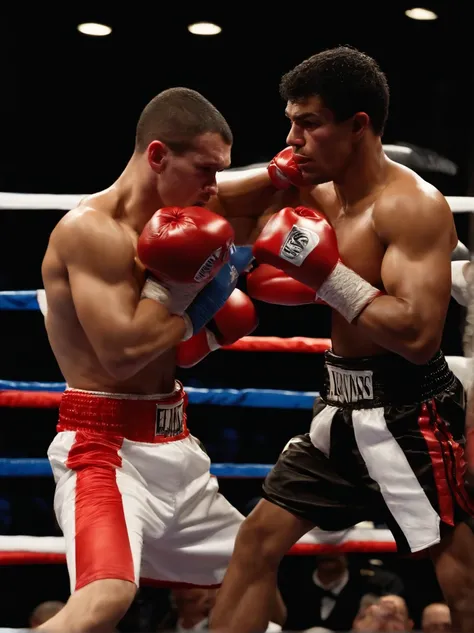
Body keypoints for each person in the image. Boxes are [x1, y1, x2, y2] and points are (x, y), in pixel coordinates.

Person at [208, 46, 474, 633]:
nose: (293, 137)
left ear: (357, 127)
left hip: (413, 413)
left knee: (460, 579)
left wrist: (326, 275)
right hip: (338, 408)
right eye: (290, 121)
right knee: (255, 545)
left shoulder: (411, 208)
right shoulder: (316, 191)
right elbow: (201, 202)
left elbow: (418, 335)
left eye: (308, 123)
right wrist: (272, 175)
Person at [40, 87, 285, 633]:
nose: (213, 185)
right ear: (157, 156)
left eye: (218, 171)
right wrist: (199, 308)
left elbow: (257, 191)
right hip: (104, 451)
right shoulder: (90, 231)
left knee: (260, 589)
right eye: (204, 169)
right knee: (105, 599)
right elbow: (122, 354)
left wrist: (282, 172)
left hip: (176, 445)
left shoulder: (186, 216)